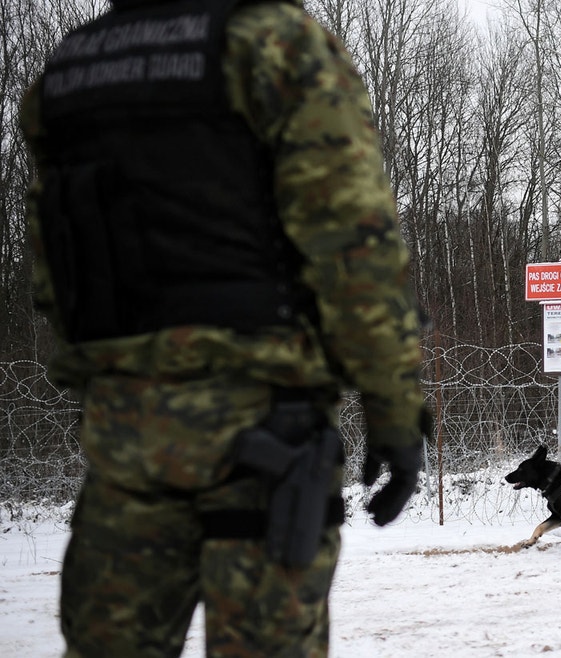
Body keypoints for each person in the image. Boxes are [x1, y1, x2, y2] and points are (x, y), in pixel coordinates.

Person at [19, 0, 429, 655]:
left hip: (127, 441)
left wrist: (115, 390)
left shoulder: (72, 66)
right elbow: (354, 246)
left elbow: (52, 265)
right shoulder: (271, 42)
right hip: (265, 435)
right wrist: (395, 412)